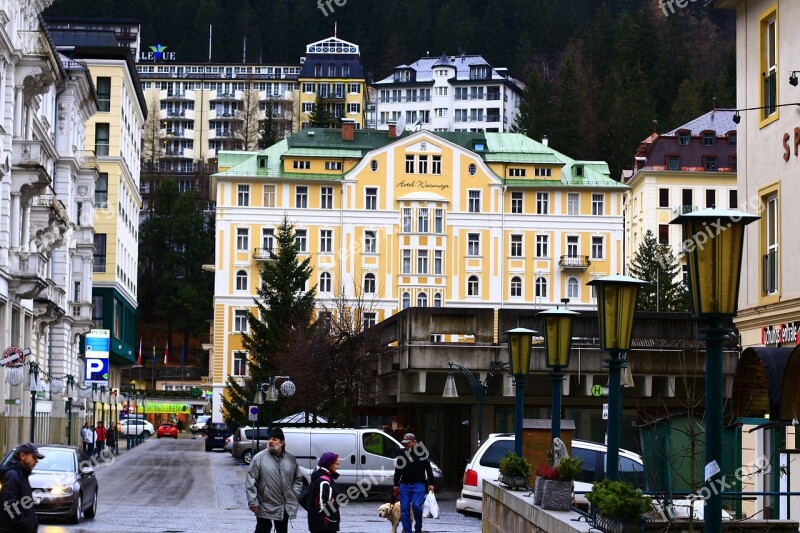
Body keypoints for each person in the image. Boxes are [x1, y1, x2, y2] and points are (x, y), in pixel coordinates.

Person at [245, 427, 303, 533]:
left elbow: (298, 479)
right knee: (263, 530)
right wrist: (252, 502)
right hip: (264, 504)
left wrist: (293, 494)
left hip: (283, 505)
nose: (271, 441)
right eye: (270, 438)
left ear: (282, 442)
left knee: (282, 530)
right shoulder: (259, 458)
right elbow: (250, 480)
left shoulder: (291, 458)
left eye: (275, 439)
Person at [392, 433, 435, 533]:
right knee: (404, 509)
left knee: (416, 506)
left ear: (414, 442)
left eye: (408, 443)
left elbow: (428, 469)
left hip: (418, 484)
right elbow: (398, 470)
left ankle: (418, 527)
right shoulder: (402, 454)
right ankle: (407, 531)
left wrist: (431, 483)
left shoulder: (421, 452)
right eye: (405, 443)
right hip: (404, 485)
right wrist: (395, 484)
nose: (406, 445)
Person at [0, 442, 44, 533]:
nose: (36, 461)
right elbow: (9, 505)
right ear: (23, 456)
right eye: (34, 457)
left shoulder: (22, 474)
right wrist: (22, 523)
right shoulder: (13, 475)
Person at [307, 452, 340, 533]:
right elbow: (323, 507)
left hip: (322, 525)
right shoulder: (324, 482)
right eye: (337, 464)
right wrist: (332, 520)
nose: (338, 466)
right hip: (324, 526)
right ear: (330, 465)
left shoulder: (322, 478)